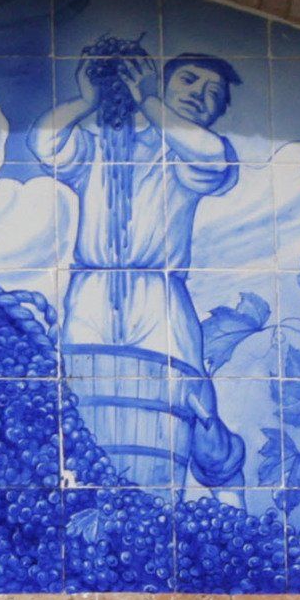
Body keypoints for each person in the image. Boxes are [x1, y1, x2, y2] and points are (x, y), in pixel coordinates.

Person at [31, 50, 247, 490]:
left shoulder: (189, 155)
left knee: (191, 407)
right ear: (164, 83)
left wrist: (148, 100)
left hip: (159, 293)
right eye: (189, 81)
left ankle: (225, 486)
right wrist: (86, 101)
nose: (200, 95)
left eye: (213, 94)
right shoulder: (102, 145)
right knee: (80, 400)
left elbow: (213, 158)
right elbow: (44, 143)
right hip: (92, 287)